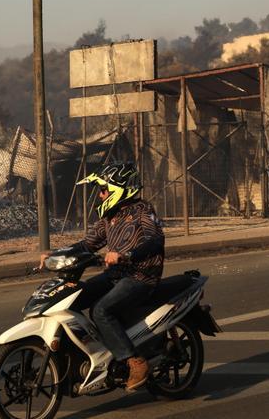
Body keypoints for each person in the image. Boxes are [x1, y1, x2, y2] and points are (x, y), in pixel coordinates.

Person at [41, 161, 165, 390]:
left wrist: (126, 255)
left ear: (120, 188)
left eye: (103, 189)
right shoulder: (110, 217)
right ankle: (90, 355)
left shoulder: (143, 211)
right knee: (73, 298)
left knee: (101, 310)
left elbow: (155, 240)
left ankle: (134, 361)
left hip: (140, 277)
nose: (100, 194)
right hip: (115, 275)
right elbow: (87, 245)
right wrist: (56, 254)